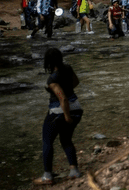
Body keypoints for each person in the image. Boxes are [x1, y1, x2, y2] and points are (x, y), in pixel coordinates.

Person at [32, 48, 83, 186]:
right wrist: (66, 88)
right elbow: (76, 83)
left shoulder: (52, 78)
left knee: (47, 140)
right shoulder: (68, 68)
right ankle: (74, 171)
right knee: (66, 139)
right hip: (77, 108)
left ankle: (47, 176)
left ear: (48, 62)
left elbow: (63, 99)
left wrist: (67, 116)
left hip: (60, 111)